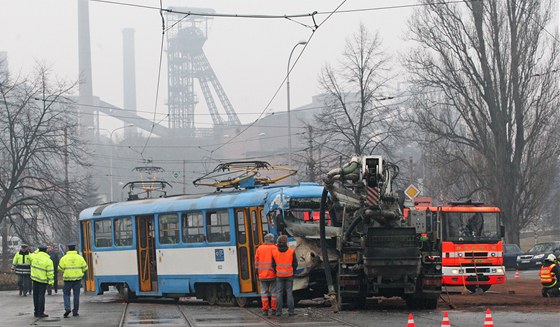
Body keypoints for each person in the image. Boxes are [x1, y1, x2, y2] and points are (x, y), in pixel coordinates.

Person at [58, 242, 88, 318]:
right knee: (76, 295)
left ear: (68, 249)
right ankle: (75, 311)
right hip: (77, 280)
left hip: (67, 279)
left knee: (66, 294)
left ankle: (67, 308)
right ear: (75, 248)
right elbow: (85, 268)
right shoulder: (80, 257)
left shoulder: (64, 258)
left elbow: (60, 268)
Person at [272, 235, 298, 317]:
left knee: (279, 293)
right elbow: (295, 264)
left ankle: (278, 312)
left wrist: (276, 271)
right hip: (289, 274)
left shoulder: (274, 252)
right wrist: (292, 271)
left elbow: (273, 265)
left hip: (279, 275)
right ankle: (291, 311)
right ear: (287, 242)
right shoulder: (291, 251)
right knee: (289, 293)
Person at [254, 233, 277, 316]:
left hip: (262, 274)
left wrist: (256, 271)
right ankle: (274, 309)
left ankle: (265, 310)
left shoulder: (259, 248)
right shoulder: (275, 248)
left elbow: (256, 262)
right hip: (273, 274)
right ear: (272, 240)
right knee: (274, 292)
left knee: (264, 293)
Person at [30, 245, 54, 318]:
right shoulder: (48, 260)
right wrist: (51, 282)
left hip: (35, 279)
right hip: (43, 281)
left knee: (35, 296)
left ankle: (36, 311)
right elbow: (50, 273)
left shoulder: (34, 257)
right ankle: (41, 312)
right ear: (46, 251)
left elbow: (32, 254)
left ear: (39, 250)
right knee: (41, 296)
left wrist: (38, 250)